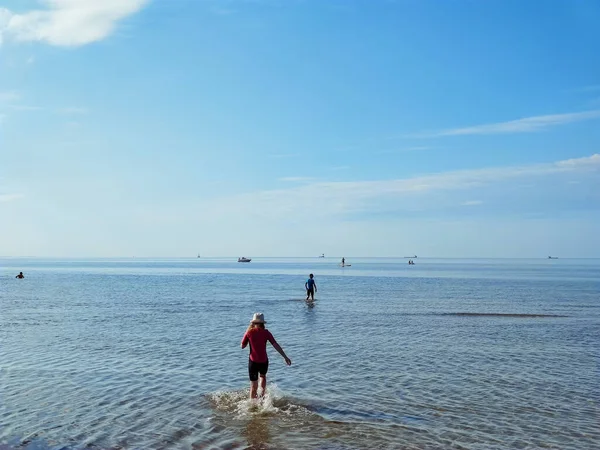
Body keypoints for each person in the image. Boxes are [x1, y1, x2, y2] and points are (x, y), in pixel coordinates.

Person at [241, 313, 291, 399]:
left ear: (253, 322)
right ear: (262, 323)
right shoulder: (266, 333)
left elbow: (242, 346)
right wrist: (285, 357)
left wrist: (247, 335)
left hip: (253, 362)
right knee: (263, 376)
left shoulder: (249, 333)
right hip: (264, 361)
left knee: (253, 387)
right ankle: (262, 397)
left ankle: (252, 405)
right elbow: (275, 345)